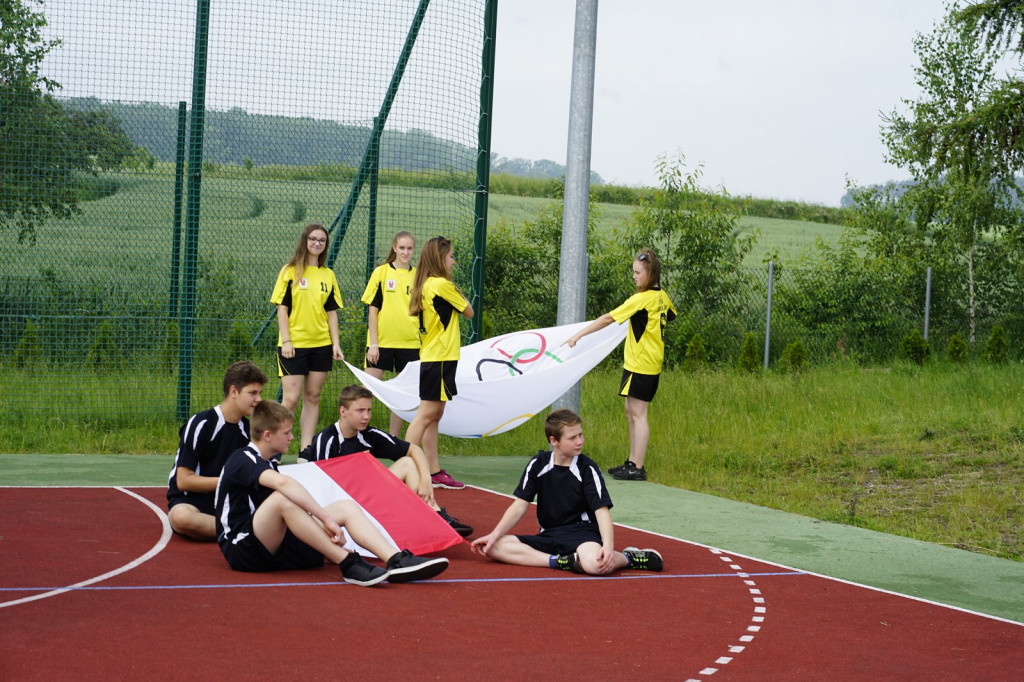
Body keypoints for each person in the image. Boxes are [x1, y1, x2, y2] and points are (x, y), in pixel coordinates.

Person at [214, 399, 450, 586]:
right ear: (267, 435)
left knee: (345, 506)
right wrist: (325, 520)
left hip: (272, 542)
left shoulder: (268, 462)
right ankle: (348, 563)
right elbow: (284, 486)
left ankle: (395, 559)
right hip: (241, 548)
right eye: (286, 433)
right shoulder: (242, 458)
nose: (292, 437)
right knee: (282, 500)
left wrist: (322, 521)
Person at [470, 408, 663, 575]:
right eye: (572, 438)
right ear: (554, 440)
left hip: (582, 534)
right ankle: (557, 561)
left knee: (595, 565)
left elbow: (601, 511)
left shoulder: (588, 468)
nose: (579, 441)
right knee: (492, 547)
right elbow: (520, 505)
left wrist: (608, 547)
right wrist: (494, 535)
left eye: (580, 435)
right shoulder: (538, 464)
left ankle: (629, 557)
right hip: (549, 535)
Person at [300, 385, 473, 537]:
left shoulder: (369, 434)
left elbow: (414, 449)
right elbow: (322, 486)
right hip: (341, 504)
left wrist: (427, 480)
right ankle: (423, 520)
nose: (366, 416)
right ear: (343, 411)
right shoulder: (326, 439)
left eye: (368, 410)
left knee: (408, 463)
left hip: (368, 495)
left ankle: (434, 515)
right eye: (360, 411)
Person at [566, 248, 677, 481]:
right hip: (648, 363)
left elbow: (608, 318)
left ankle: (637, 466)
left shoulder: (641, 299)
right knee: (631, 412)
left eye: (638, 272)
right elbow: (671, 314)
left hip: (641, 365)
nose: (634, 276)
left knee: (639, 414)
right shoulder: (662, 297)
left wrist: (579, 334)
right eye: (633, 272)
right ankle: (632, 461)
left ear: (651, 274)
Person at [166, 361, 268, 541]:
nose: (258, 399)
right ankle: (243, 531)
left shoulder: (251, 430)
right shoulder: (201, 424)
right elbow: (183, 481)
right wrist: (228, 481)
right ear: (234, 391)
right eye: (253, 393)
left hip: (231, 501)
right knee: (181, 517)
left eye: (259, 393)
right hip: (194, 502)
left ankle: (237, 530)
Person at [404, 236, 473, 490]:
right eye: (451, 256)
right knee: (425, 415)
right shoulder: (441, 284)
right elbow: (469, 310)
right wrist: (453, 286)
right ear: (439, 258)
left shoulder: (425, 283)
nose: (453, 261)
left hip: (436, 356)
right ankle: (406, 466)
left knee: (434, 416)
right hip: (440, 357)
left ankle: (432, 470)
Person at [271, 222, 345, 451]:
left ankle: (306, 449)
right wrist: (287, 341)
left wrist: (335, 344)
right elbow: (282, 309)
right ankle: (273, 449)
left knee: (313, 397)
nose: (317, 243)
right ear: (305, 241)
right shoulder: (290, 270)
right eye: (313, 239)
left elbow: (331, 312)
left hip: (321, 345)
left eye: (322, 240)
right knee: (291, 399)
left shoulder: (328, 274)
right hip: (294, 345)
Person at [361, 231, 419, 436]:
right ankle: (356, 436)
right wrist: (374, 343)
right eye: (401, 248)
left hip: (411, 344)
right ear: (394, 247)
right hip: (382, 343)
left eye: (409, 248)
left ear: (414, 250)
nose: (405, 252)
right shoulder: (381, 272)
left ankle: (393, 439)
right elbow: (372, 310)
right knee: (365, 391)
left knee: (401, 395)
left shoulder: (418, 275)